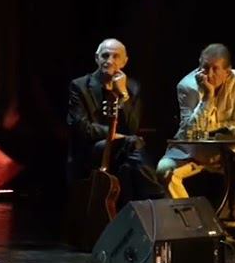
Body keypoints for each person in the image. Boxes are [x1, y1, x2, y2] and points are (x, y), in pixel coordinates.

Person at [156, 43, 235, 224]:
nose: (209, 74)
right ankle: (192, 227)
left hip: (229, 151)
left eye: (215, 69)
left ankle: (226, 224)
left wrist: (212, 128)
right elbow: (190, 133)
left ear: (227, 72)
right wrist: (207, 97)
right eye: (205, 67)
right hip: (194, 152)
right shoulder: (186, 86)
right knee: (165, 170)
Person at [67, 38, 165, 203]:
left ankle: (141, 207)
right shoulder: (79, 86)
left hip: (124, 148)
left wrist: (123, 95)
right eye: (105, 56)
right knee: (134, 144)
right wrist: (113, 134)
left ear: (124, 62)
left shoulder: (132, 87)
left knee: (131, 162)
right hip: (90, 149)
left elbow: (132, 127)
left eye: (115, 56)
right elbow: (81, 128)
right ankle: (158, 198)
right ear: (97, 58)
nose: (109, 61)